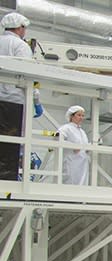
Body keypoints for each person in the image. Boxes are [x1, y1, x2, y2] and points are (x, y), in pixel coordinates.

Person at [0, 12, 33, 180]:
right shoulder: (20, 46)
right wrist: (36, 99)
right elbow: (28, 75)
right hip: (13, 102)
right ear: (20, 28)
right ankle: (6, 181)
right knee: (9, 144)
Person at [58, 105, 90, 185]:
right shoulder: (65, 128)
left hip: (82, 164)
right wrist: (72, 146)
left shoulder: (82, 132)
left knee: (81, 184)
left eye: (82, 116)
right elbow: (57, 140)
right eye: (79, 115)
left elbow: (84, 146)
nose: (81, 118)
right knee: (69, 182)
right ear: (71, 116)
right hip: (71, 162)